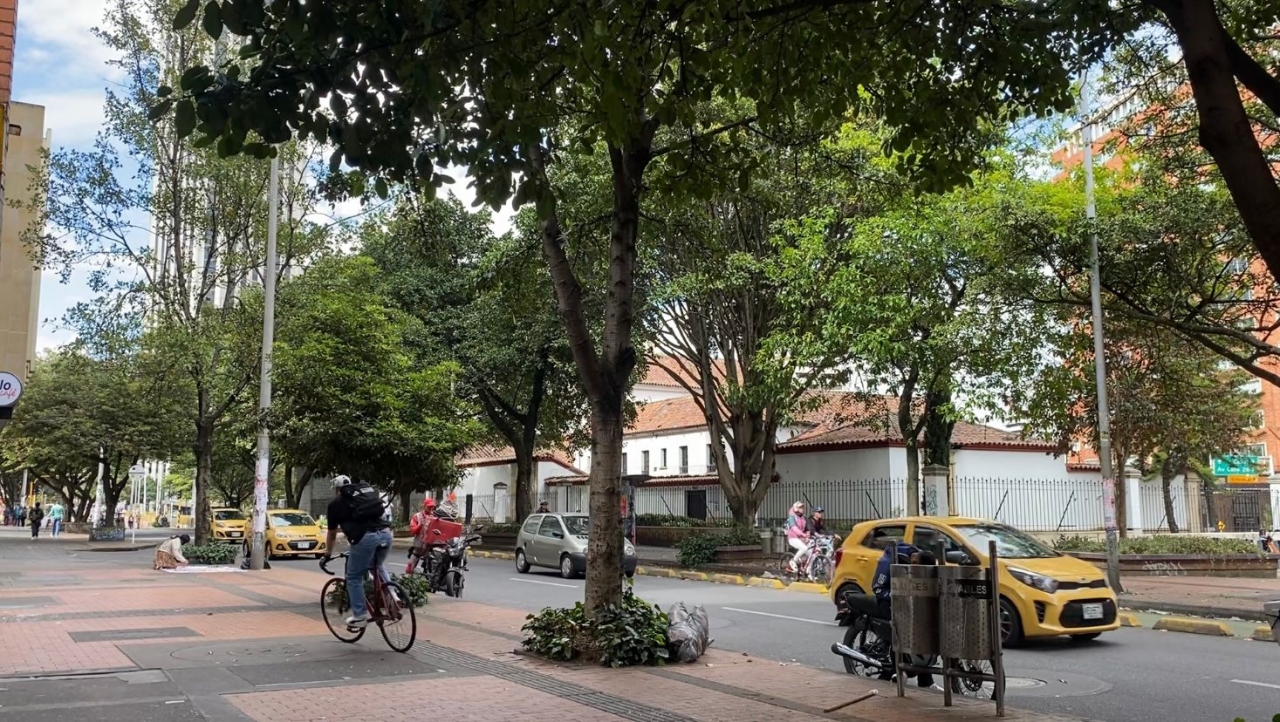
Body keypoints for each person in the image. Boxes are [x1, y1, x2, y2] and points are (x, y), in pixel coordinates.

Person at [322, 475, 392, 629]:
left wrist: (327, 553)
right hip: (386, 533)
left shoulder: (335, 505)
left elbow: (332, 534)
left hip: (365, 538)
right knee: (378, 565)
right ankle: (393, 598)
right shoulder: (364, 495)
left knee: (353, 576)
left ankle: (360, 615)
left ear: (336, 489)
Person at [784, 501, 811, 573]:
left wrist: (807, 535)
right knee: (804, 548)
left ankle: (805, 569)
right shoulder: (792, 518)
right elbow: (794, 528)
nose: (802, 509)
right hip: (792, 538)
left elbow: (807, 529)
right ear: (796, 508)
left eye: (802, 507)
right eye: (800, 507)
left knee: (810, 553)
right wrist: (803, 534)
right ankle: (793, 561)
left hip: (800, 538)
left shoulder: (803, 518)